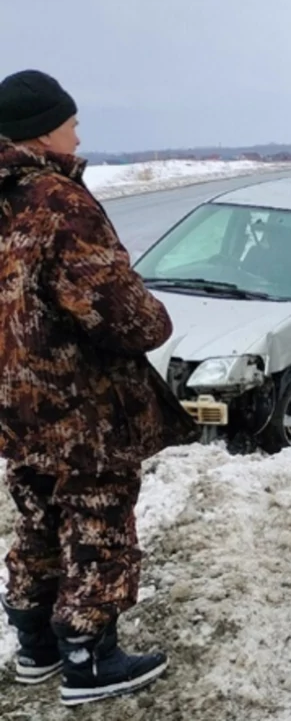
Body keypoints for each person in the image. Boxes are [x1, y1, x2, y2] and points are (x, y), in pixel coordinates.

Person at [0, 69, 199, 705]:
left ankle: (34, 643)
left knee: (35, 513)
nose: (79, 131)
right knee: (96, 518)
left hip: (13, 403)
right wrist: (157, 319)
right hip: (78, 406)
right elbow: (126, 317)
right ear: (43, 130)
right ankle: (88, 657)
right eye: (72, 121)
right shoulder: (59, 202)